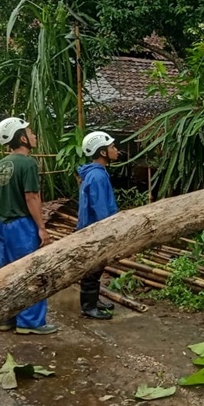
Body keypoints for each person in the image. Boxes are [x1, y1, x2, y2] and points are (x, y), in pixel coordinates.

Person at [0, 117, 58, 335]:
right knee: (31, 273)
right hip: (22, 225)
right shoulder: (28, 163)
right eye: (30, 132)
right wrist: (41, 227)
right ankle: (30, 322)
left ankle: (6, 318)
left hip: (3, 223)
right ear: (21, 138)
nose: (34, 135)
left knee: (7, 273)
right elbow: (31, 197)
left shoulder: (1, 163)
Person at [76, 131, 120, 320]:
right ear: (102, 152)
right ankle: (88, 307)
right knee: (92, 270)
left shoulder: (95, 173)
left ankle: (94, 302)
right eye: (112, 147)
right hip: (96, 229)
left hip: (92, 227)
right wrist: (110, 229)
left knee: (97, 268)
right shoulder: (98, 177)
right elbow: (100, 207)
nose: (116, 150)